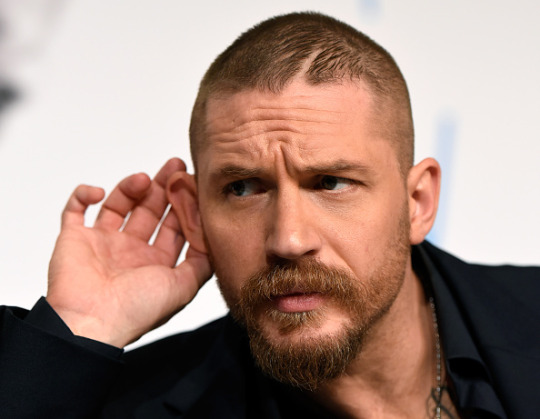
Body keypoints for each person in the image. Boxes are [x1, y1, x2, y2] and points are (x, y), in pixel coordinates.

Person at [0, 12, 538, 419]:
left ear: (417, 202)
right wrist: (79, 331)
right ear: (194, 214)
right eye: (243, 188)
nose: (289, 239)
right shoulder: (135, 405)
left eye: (330, 183)